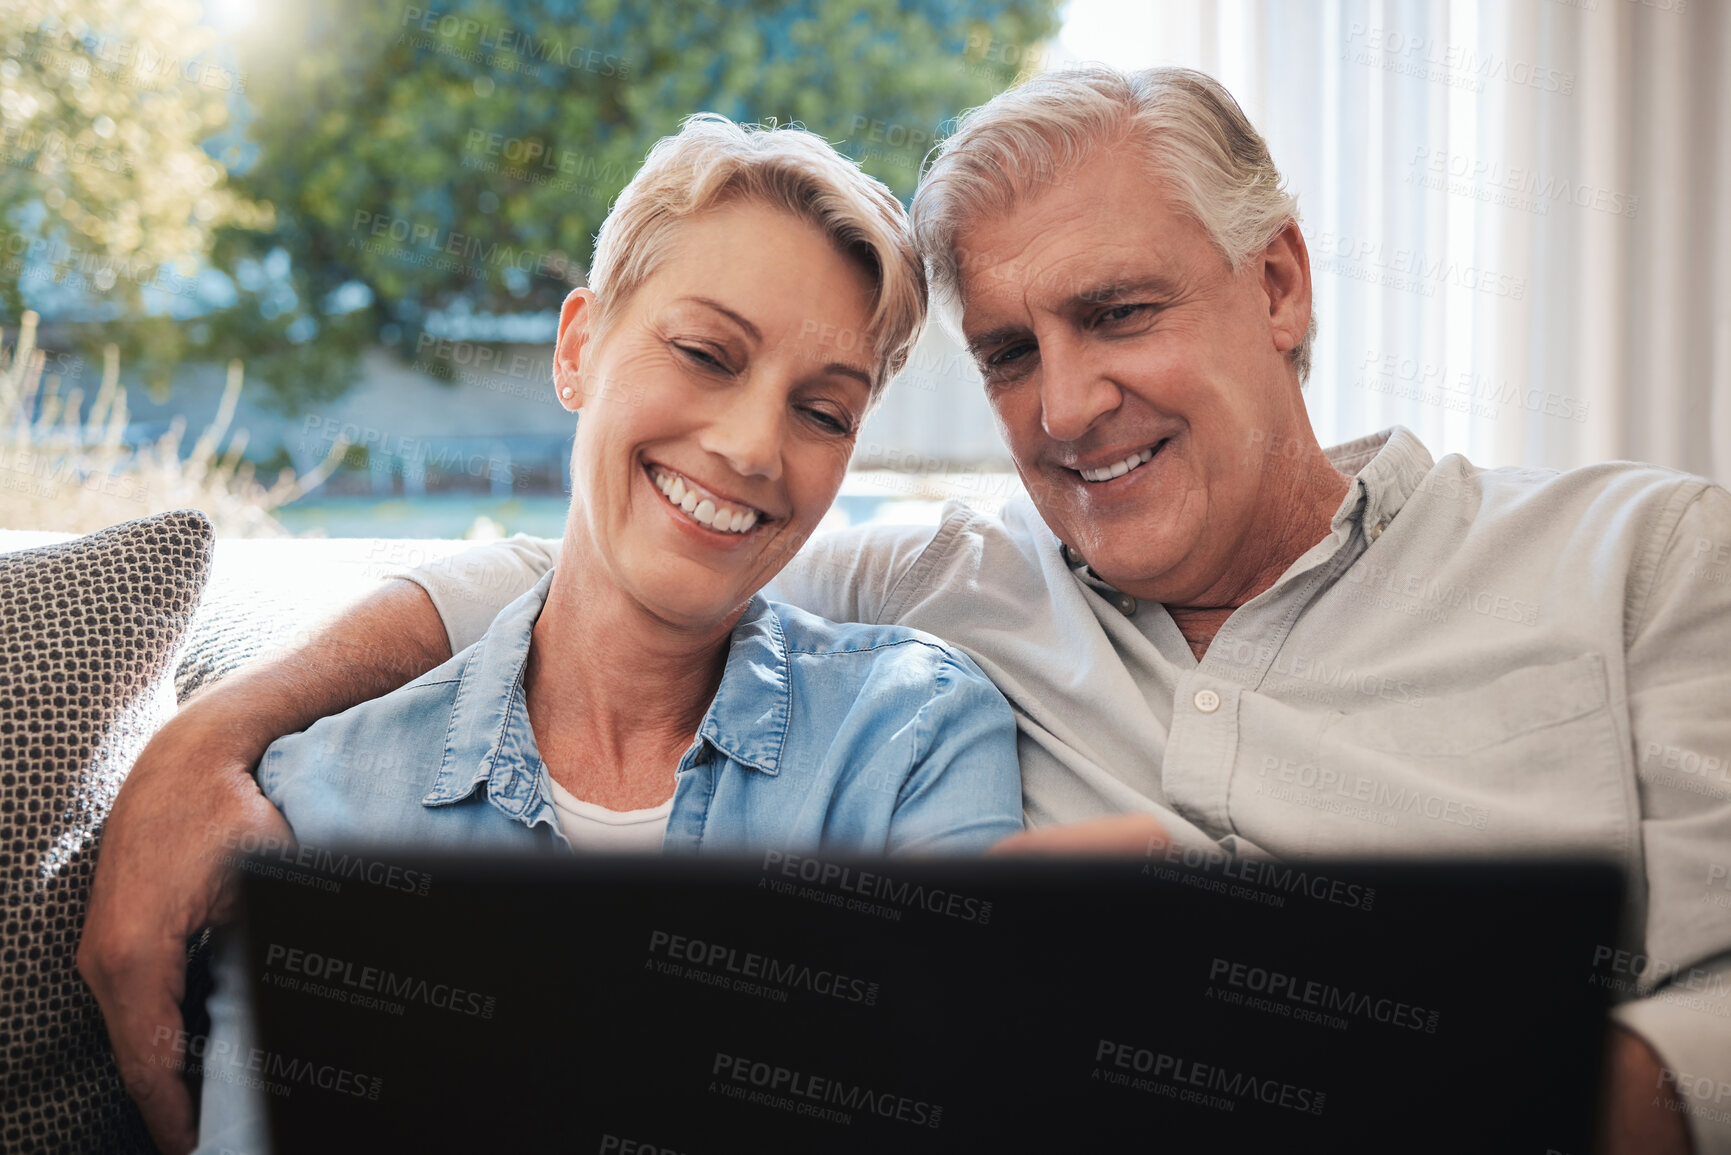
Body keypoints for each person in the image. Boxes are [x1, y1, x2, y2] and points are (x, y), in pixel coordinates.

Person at [82, 67, 1729, 1154]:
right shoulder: (939, 587)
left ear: (1279, 285)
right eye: (1009, 352)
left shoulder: (1644, 565)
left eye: (1119, 314)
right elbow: (602, 569)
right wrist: (215, 733)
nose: (1070, 405)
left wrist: (1577, 1095)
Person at [170, 114, 1025, 1155]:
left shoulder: (915, 741)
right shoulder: (323, 800)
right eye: (708, 353)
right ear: (577, 348)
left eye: (824, 412)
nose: (754, 447)